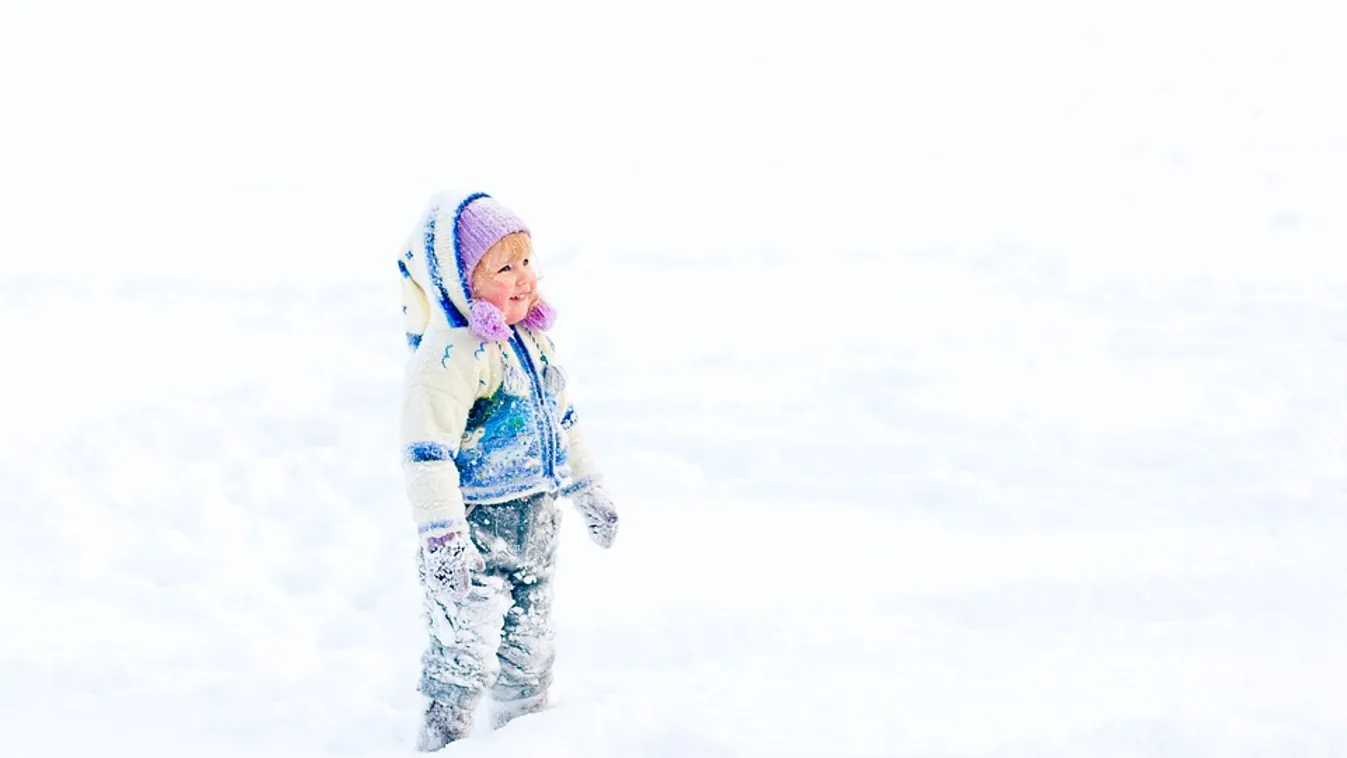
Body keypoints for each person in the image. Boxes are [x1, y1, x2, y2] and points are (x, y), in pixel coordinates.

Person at [395, 191, 619, 750]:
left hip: (537, 525)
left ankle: (524, 740)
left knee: (531, 650)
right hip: (474, 533)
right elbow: (428, 453)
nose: (523, 277)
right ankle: (443, 742)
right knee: (462, 654)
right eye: (503, 267)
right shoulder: (450, 356)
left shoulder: (533, 341)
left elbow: (563, 422)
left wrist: (589, 489)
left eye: (526, 262)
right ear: (461, 281)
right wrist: (442, 537)